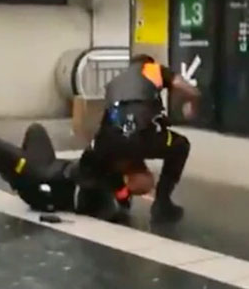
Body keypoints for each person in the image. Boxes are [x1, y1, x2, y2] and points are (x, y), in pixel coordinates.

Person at [0, 123, 153, 221]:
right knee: (36, 130)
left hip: (44, 183)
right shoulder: (114, 178)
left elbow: (131, 188)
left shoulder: (111, 185)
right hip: (53, 166)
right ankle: (17, 173)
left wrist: (124, 183)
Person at [82, 54, 200, 223]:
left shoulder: (116, 82)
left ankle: (121, 198)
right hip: (142, 136)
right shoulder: (151, 68)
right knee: (180, 146)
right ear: (147, 63)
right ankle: (162, 202)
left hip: (107, 142)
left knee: (114, 154)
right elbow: (185, 87)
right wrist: (193, 102)